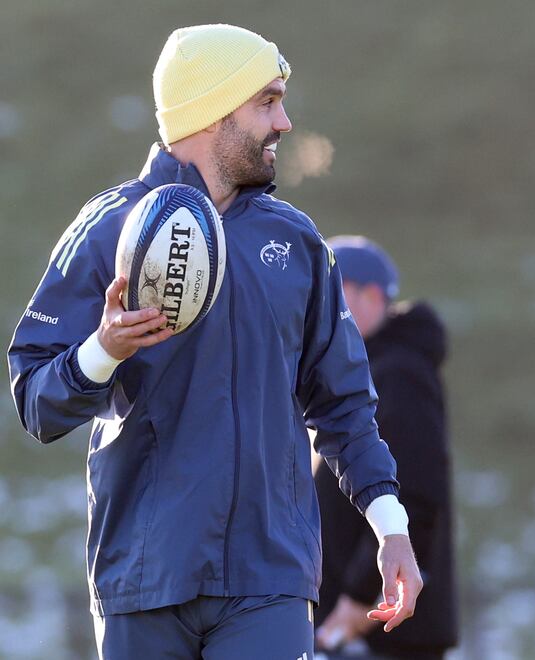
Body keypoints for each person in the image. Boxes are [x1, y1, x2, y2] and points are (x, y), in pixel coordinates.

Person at [7, 25, 421, 660]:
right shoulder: (107, 229)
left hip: (269, 583)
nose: (284, 122)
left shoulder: (299, 244)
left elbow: (342, 406)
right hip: (143, 580)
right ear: (213, 111)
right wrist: (104, 350)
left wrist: (391, 527)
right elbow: (36, 400)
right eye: (267, 101)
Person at [313, 237, 457, 660]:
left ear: (371, 297)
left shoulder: (399, 375)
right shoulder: (359, 374)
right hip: (367, 627)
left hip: (385, 631)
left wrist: (360, 600)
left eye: (331, 298)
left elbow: (416, 493)